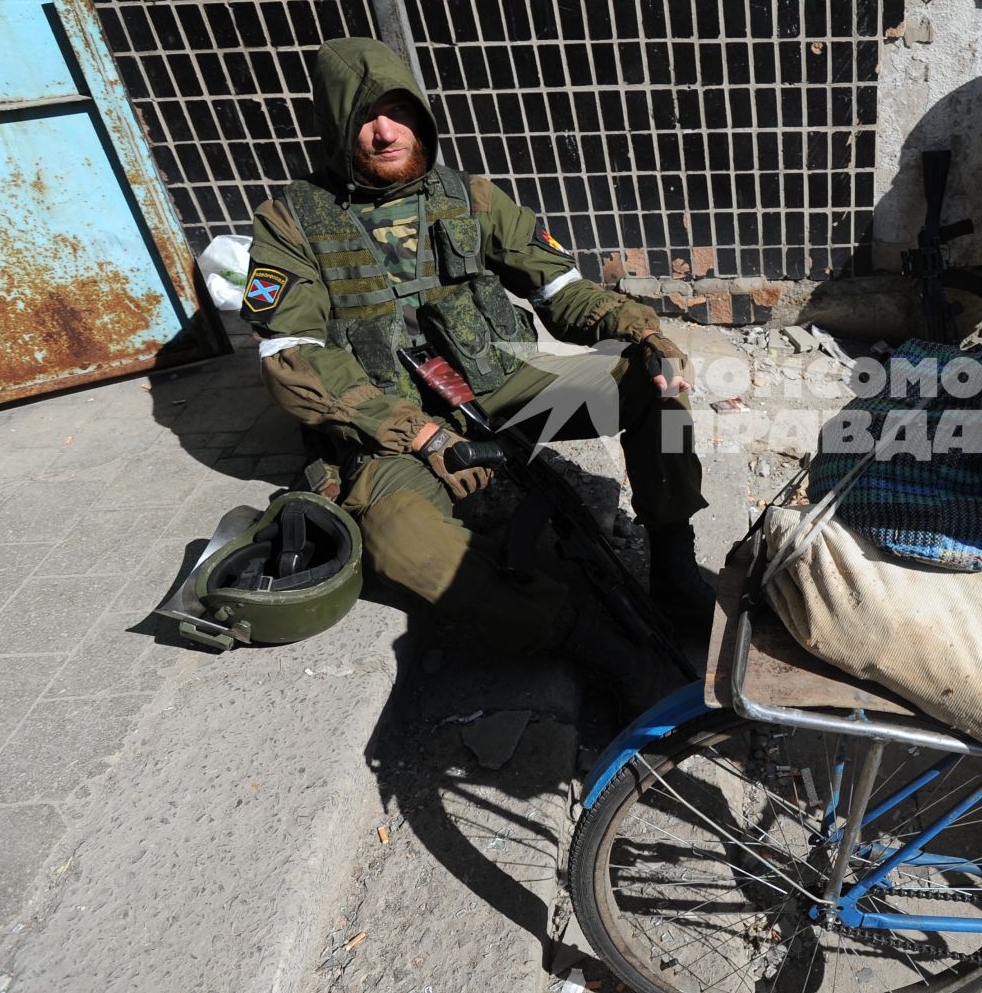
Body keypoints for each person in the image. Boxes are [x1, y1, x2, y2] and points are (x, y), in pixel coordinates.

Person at [241, 37, 712, 660]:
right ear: (335, 128)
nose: (386, 133)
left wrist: (639, 329)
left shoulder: (471, 196)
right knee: (398, 541)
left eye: (399, 110)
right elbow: (292, 357)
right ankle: (583, 638)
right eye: (364, 119)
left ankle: (676, 561)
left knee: (654, 384)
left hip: (499, 387)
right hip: (393, 426)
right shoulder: (292, 220)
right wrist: (416, 434)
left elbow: (559, 288)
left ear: (421, 113)